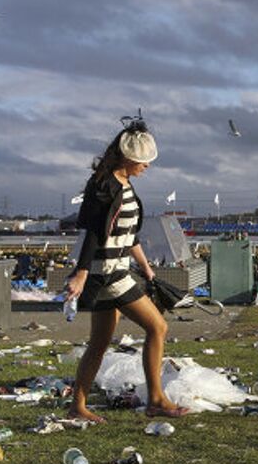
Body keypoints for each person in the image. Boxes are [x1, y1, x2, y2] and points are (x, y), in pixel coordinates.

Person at [65, 115, 188, 422]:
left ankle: (77, 405)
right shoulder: (105, 186)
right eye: (143, 161)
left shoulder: (121, 184)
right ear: (128, 156)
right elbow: (93, 232)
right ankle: (156, 399)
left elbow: (127, 234)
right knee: (158, 327)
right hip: (109, 274)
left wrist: (146, 268)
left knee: (99, 343)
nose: (146, 166)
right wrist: (81, 273)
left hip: (114, 270)